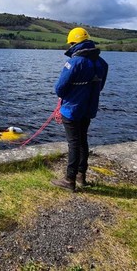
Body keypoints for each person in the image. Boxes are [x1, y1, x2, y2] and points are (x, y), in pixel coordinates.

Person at [52, 27, 108, 191]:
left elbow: (59, 89)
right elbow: (100, 87)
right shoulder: (102, 63)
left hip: (72, 110)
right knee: (83, 141)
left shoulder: (74, 62)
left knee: (74, 143)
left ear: (74, 43)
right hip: (88, 109)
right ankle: (81, 176)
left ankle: (69, 180)